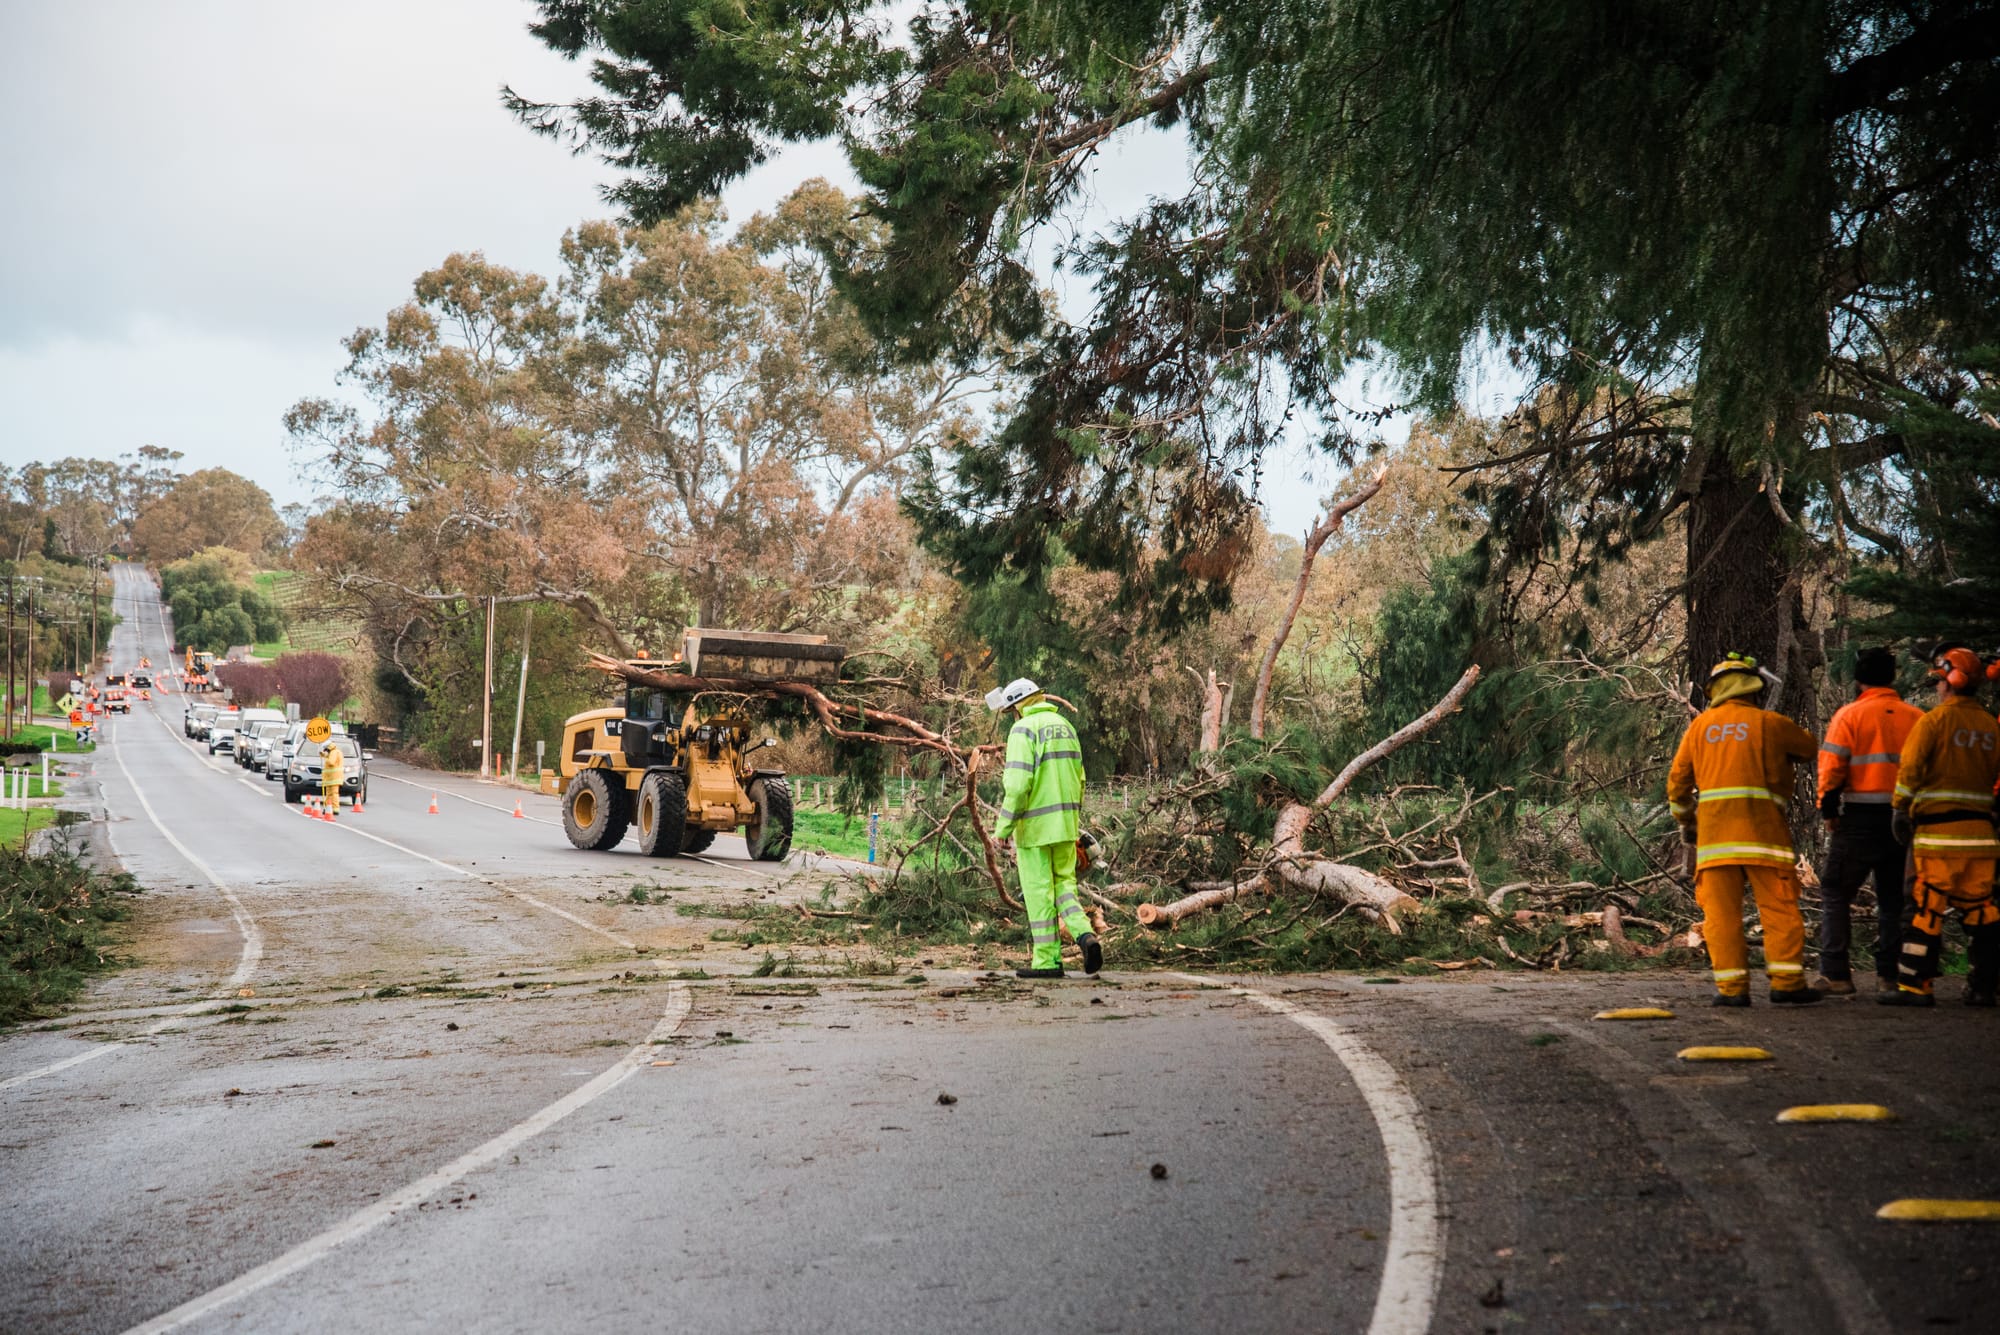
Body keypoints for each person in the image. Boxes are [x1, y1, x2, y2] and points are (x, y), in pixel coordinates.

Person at [1667, 652, 1821, 1006]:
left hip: (1715, 840)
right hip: (1764, 837)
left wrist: (1687, 821)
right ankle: (1787, 984)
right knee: (1779, 909)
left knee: (1720, 916)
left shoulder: (1699, 728)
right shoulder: (1771, 724)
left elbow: (1677, 785)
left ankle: (1732, 990)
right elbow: (1809, 747)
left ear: (1715, 689)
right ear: (1754, 688)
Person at [1882, 646, 2000, 1007]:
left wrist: (1900, 809)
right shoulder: (1990, 726)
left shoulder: (1933, 722)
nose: (1936, 689)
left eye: (1938, 683)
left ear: (1950, 683)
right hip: (1982, 838)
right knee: (1982, 910)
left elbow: (1910, 772)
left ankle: (1916, 985)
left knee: (1927, 908)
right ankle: (1983, 986)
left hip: (1938, 837)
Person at [1812, 647, 1924, 994]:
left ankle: (1836, 974)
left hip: (1858, 818)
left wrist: (1828, 811)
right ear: (1893, 676)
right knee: (1893, 899)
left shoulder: (1850, 716)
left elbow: (1832, 768)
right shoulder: (1917, 718)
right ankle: (1889, 976)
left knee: (1835, 891)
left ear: (1858, 679)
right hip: (1903, 821)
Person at [986, 677, 1101, 980]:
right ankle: (1085, 935)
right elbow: (1081, 779)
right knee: (1065, 887)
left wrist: (1002, 829)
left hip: (1035, 830)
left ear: (1019, 705)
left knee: (1039, 894)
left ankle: (1047, 962)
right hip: (1065, 827)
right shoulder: (1066, 727)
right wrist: (1072, 822)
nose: (1013, 715)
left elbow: (1018, 784)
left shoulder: (1023, 729)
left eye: (1012, 709)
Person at [320, 739, 346, 814]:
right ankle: (328, 807)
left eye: (325, 749)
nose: (325, 750)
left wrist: (326, 759)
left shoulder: (334, 752)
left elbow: (331, 762)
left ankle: (335, 809)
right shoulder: (334, 752)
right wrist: (324, 755)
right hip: (331, 778)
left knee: (334, 793)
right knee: (329, 794)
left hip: (334, 777)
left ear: (328, 748)